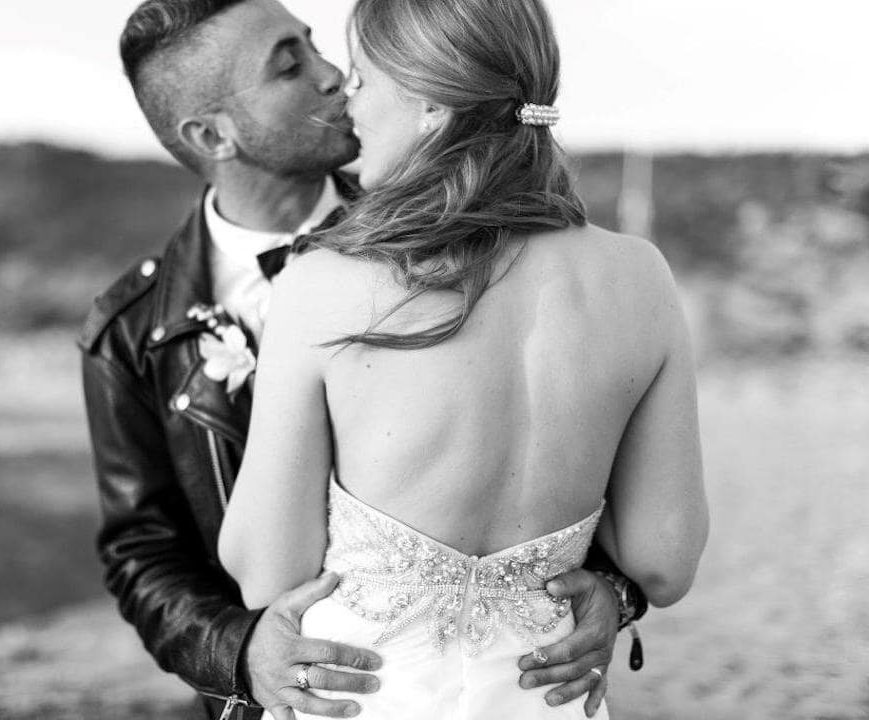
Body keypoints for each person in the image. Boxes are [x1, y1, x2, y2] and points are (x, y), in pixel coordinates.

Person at [80, 1, 649, 719]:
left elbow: (553, 451)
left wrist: (612, 593)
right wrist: (239, 653)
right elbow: (142, 550)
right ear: (211, 133)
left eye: (319, 49)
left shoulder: (461, 241)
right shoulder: (132, 329)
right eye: (290, 66)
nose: (333, 78)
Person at [216, 0, 709, 718]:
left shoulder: (322, 284)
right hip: (546, 699)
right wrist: (609, 588)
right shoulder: (641, 278)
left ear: (433, 105)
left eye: (362, 75)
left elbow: (267, 571)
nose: (349, 98)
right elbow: (665, 560)